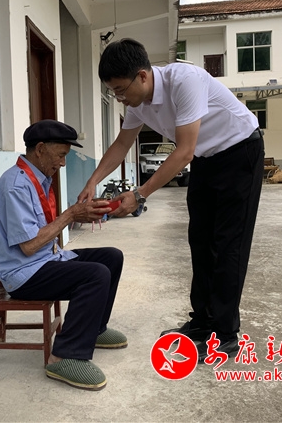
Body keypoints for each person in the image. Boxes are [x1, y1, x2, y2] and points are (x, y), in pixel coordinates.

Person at [78, 38, 264, 363]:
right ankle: (202, 322)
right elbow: (122, 144)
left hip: (240, 153)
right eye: (113, 92)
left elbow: (184, 151)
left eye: (120, 90)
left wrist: (140, 195)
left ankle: (225, 336)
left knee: (228, 246)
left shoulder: (184, 81)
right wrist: (93, 180)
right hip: (206, 159)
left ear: (142, 76)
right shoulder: (137, 103)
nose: (119, 98)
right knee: (200, 242)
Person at [0, 119, 127, 391]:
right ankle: (64, 357)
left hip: (45, 261)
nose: (63, 163)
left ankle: (94, 330)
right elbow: (29, 246)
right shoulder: (16, 185)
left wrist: (84, 213)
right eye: (61, 155)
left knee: (111, 257)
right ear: (40, 149)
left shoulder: (38, 180)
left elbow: (40, 235)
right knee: (95, 275)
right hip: (23, 274)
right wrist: (70, 215)